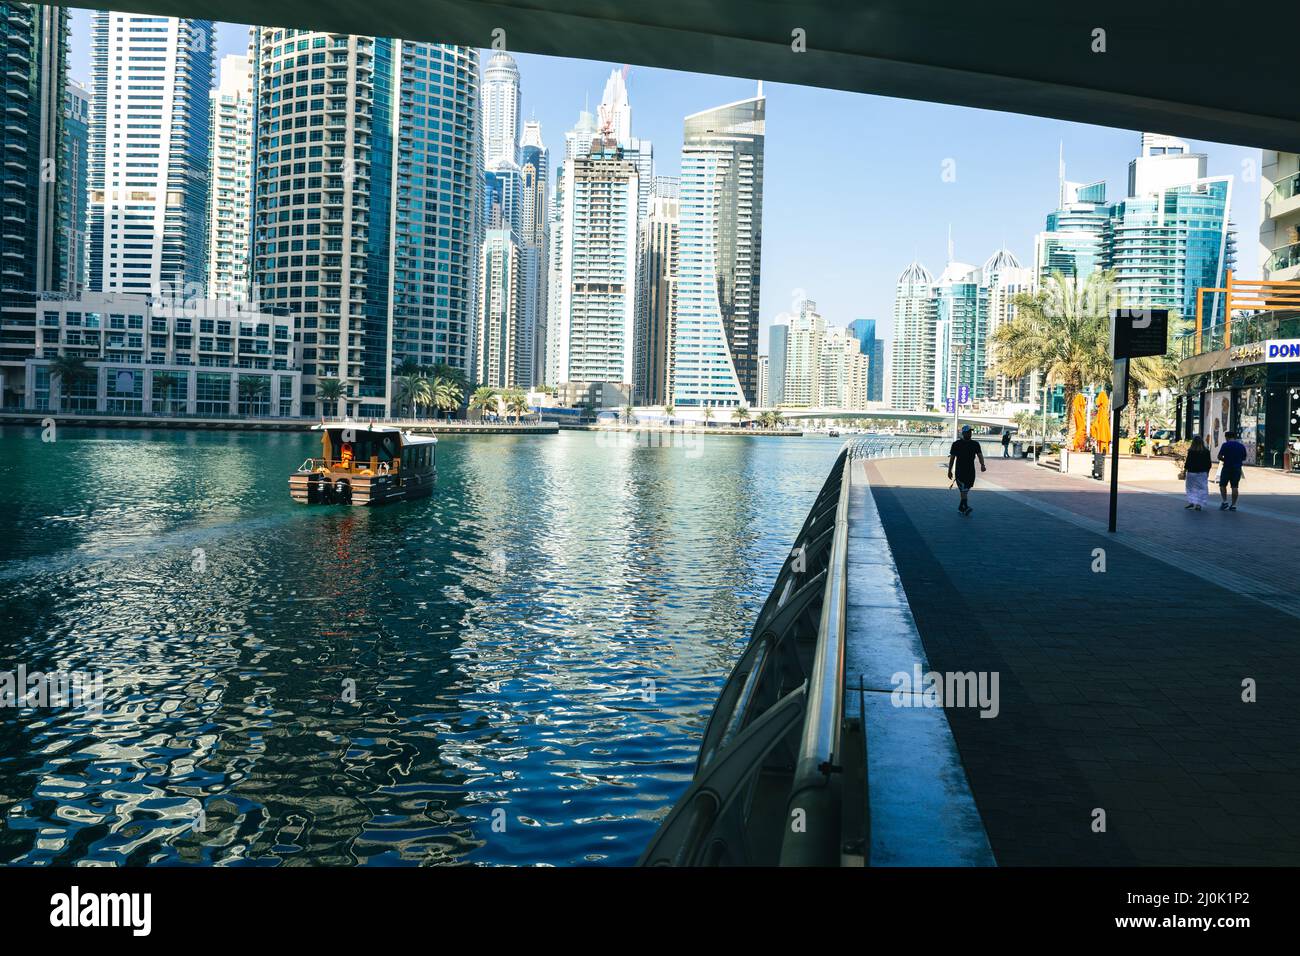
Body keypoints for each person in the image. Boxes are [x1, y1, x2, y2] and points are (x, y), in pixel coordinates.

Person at [948, 424, 986, 516]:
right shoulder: (956, 444)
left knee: (965, 490)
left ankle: (961, 507)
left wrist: (982, 465)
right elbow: (952, 458)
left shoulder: (975, 444)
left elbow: (980, 455)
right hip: (960, 471)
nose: (970, 434)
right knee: (964, 489)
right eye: (968, 432)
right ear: (963, 433)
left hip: (971, 471)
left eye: (970, 432)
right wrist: (949, 470)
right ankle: (966, 507)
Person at [1217, 430, 1248, 511]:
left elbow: (1219, 456)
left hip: (1227, 467)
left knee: (1223, 485)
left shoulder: (1225, 445)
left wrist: (1225, 459)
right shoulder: (1241, 446)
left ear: (1227, 437)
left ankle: (1225, 501)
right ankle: (1233, 505)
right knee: (1235, 486)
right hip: (1237, 468)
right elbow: (1244, 457)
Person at [1182, 435, 1211, 511]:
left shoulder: (1191, 451)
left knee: (1190, 488)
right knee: (1202, 488)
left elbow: (1187, 462)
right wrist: (1208, 472)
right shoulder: (1206, 451)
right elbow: (1209, 463)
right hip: (1202, 472)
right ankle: (1199, 504)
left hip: (1192, 472)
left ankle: (1191, 502)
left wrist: (1184, 471)